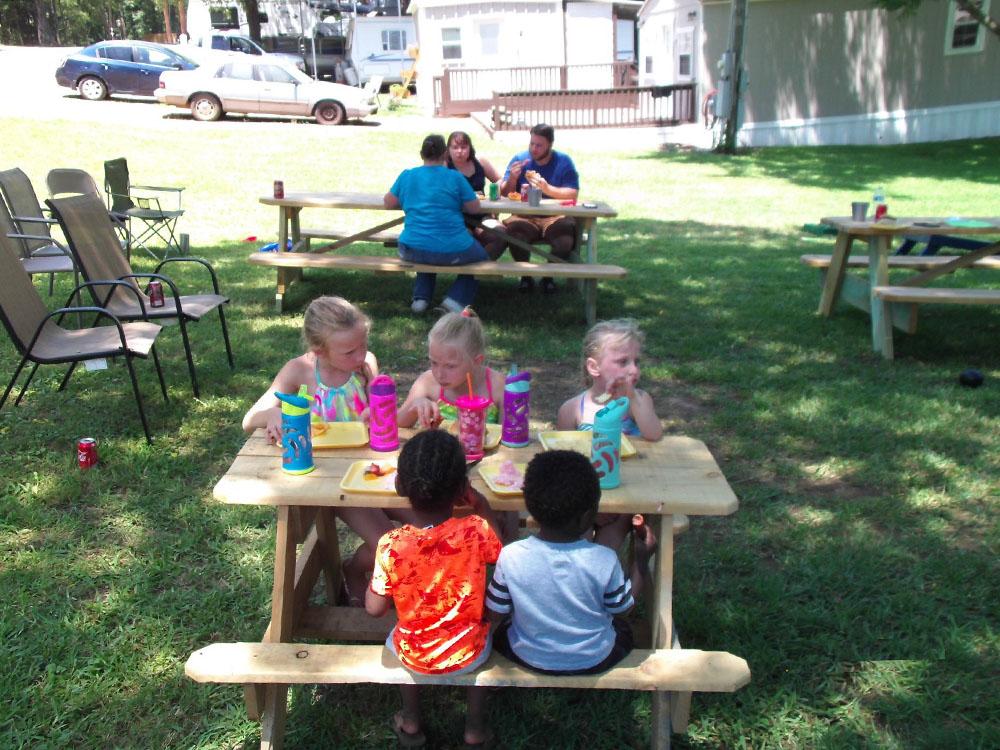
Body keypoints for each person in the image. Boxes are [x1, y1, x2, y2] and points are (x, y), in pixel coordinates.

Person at [241, 295, 417, 603]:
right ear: (319, 349)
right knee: (384, 542)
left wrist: (378, 413)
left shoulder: (366, 365)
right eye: (350, 351)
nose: (361, 354)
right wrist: (272, 413)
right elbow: (249, 420)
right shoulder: (300, 372)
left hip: (373, 470)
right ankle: (353, 570)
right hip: (332, 482)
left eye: (363, 344)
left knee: (428, 521)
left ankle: (371, 569)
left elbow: (386, 416)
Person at [366, 430, 503, 748]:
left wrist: (368, 587)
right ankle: (475, 729)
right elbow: (501, 552)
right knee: (486, 631)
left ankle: (411, 721)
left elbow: (375, 609)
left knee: (399, 633)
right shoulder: (475, 530)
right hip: (468, 652)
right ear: (461, 490)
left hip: (414, 654)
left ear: (400, 486)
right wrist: (481, 505)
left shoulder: (392, 544)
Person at [486, 450, 657, 674]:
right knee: (623, 629)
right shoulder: (604, 560)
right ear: (590, 516)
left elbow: (496, 613)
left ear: (531, 511)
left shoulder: (511, 556)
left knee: (505, 630)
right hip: (594, 657)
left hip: (527, 654)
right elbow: (623, 608)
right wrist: (641, 563)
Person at [556, 319, 662, 549]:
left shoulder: (638, 402)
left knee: (607, 545)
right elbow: (564, 467)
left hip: (628, 495)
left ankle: (608, 582)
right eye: (623, 362)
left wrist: (632, 397)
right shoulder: (573, 409)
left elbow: (654, 433)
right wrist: (591, 509)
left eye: (636, 361)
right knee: (576, 542)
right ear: (594, 367)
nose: (634, 369)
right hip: (585, 497)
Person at [385, 134, 489, 315]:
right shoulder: (455, 178)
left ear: (421, 153)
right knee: (483, 257)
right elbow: (474, 208)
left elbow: (388, 202)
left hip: (410, 249)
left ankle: (421, 298)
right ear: (444, 154)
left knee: (427, 249)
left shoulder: (407, 175)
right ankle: (454, 301)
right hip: (453, 249)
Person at [485, 123, 580, 294]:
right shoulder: (520, 159)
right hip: (523, 215)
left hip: (554, 215)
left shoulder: (563, 162)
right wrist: (513, 178)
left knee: (565, 240)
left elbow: (573, 193)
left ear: (550, 145)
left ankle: (548, 277)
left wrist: (547, 189)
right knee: (515, 234)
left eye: (539, 145)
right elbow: (505, 193)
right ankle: (526, 276)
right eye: (532, 144)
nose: (534, 149)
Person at [397, 307, 505, 430]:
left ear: (476, 361)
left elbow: (510, 439)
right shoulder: (427, 382)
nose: (439, 374)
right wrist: (415, 407)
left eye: (450, 366)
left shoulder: (498, 385)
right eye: (434, 362)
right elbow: (397, 424)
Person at [446, 130, 500, 195]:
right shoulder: (444, 166)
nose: (459, 151)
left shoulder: (481, 162)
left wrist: (494, 193)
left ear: (470, 148)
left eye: (463, 147)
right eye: (455, 147)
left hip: (481, 204)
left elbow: (500, 181)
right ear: (448, 150)